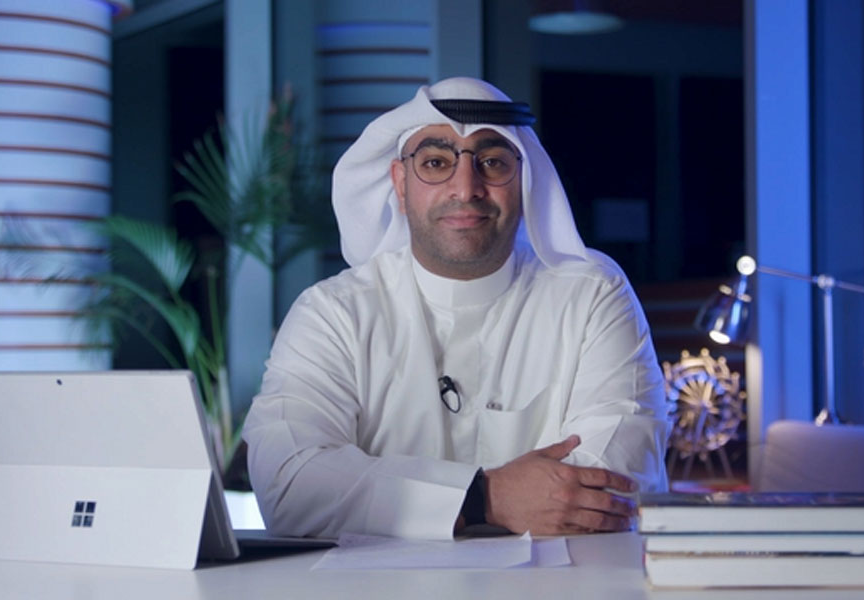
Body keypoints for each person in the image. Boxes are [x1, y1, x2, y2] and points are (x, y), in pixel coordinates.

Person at [242, 77, 670, 540]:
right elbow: (289, 484)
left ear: (524, 181)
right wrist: (484, 498)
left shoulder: (591, 295)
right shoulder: (333, 315)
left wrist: (402, 500)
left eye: (492, 162)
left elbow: (614, 489)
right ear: (400, 183)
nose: (466, 188)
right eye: (435, 163)